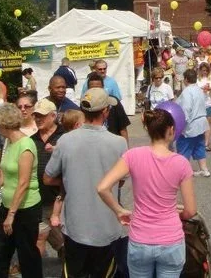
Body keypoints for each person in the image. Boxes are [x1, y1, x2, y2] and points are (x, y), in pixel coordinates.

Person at [97, 108, 197, 278]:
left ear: (147, 129)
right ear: (171, 130)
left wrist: (119, 210)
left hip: (140, 238)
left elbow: (102, 188)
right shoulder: (181, 163)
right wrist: (177, 213)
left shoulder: (132, 155)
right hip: (170, 239)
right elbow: (191, 211)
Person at [44, 87, 127, 278]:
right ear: (105, 111)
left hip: (75, 226)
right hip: (107, 226)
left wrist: (71, 178)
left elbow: (48, 178)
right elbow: (121, 181)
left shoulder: (65, 140)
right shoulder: (118, 143)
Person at [0, 103, 43, 278]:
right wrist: (2, 176)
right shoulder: (9, 142)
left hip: (25, 209)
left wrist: (11, 214)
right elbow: (7, 167)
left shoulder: (25, 145)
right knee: (0, 254)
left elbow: (24, 182)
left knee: (27, 256)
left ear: (3, 124)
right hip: (6, 205)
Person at [31, 98, 65, 259]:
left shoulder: (65, 137)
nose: (38, 119)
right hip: (39, 199)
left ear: (53, 116)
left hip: (61, 198)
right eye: (36, 115)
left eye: (42, 116)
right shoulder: (32, 140)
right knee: (39, 236)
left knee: (66, 243)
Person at [176, 68, 210, 177]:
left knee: (184, 147)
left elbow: (186, 109)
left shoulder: (187, 92)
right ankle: (204, 169)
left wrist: (180, 125)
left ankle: (183, 171)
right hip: (201, 122)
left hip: (191, 124)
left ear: (186, 79)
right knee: (199, 146)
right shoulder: (198, 89)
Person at [87, 72, 131, 142]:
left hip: (114, 143)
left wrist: (126, 149)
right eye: (93, 89)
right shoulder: (85, 104)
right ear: (88, 89)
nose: (96, 91)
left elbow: (123, 128)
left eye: (98, 88)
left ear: (103, 87)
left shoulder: (114, 102)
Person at [197, 62, 211, 151]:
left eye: (206, 70)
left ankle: (206, 143)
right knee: (200, 124)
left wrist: (209, 88)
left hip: (209, 104)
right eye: (203, 70)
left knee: (208, 124)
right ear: (200, 70)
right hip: (199, 104)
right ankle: (200, 142)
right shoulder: (197, 79)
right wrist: (201, 89)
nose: (205, 72)